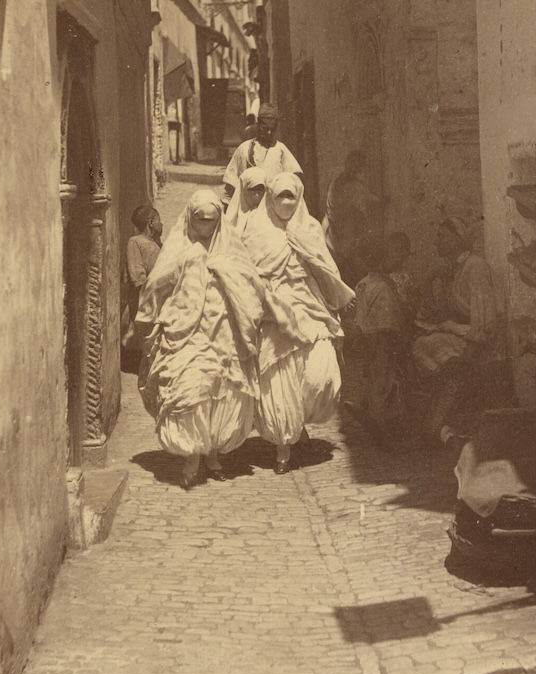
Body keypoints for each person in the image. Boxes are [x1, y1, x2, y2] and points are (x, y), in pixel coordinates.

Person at [135, 189, 267, 489]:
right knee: (190, 388)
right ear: (190, 219)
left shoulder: (231, 248)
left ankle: (213, 455)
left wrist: (231, 281)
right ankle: (192, 456)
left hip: (225, 331)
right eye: (200, 219)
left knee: (222, 391)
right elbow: (156, 285)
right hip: (186, 332)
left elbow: (252, 283)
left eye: (211, 220)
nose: (205, 226)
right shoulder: (178, 248)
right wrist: (147, 320)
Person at [242, 172, 355, 474]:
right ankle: (283, 448)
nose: (286, 202)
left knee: (319, 376)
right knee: (279, 380)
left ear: (299, 197)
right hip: (273, 313)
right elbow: (245, 273)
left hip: (309, 307)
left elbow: (325, 268)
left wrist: (338, 299)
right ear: (271, 198)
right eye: (280, 196)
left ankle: (298, 425)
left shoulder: (310, 227)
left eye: (291, 196)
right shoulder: (255, 229)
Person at [412, 217, 504, 439]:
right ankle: (435, 427)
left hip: (479, 344)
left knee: (431, 350)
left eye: (442, 236)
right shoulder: (456, 269)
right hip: (464, 337)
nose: (436, 242)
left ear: (457, 239)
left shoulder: (475, 267)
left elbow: (484, 324)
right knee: (420, 344)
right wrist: (432, 280)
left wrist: (457, 335)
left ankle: (437, 428)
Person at [350, 236, 414, 443]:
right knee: (383, 382)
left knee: (377, 381)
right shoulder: (384, 287)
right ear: (382, 260)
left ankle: (376, 415)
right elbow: (387, 320)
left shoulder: (363, 283)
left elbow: (360, 317)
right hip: (383, 340)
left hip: (370, 338)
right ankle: (379, 424)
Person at [322, 150, 386, 284]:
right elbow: (371, 198)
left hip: (339, 226)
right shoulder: (344, 183)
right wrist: (382, 200)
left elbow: (367, 197)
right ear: (347, 164)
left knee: (347, 260)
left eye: (358, 166)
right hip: (337, 226)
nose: (354, 168)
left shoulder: (350, 183)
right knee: (343, 260)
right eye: (352, 164)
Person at [223, 104, 301, 197]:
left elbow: (294, 177)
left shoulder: (280, 149)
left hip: (273, 203)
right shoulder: (244, 148)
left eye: (272, 129)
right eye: (265, 129)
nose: (269, 132)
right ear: (258, 125)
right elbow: (230, 182)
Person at [121, 205, 163, 358]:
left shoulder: (157, 243)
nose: (161, 224)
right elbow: (138, 276)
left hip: (157, 298)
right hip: (143, 299)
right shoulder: (135, 242)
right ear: (150, 222)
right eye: (159, 220)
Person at [223, 166, 266, 237]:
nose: (257, 195)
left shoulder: (271, 219)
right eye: (252, 189)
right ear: (243, 189)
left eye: (260, 189)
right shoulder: (231, 221)